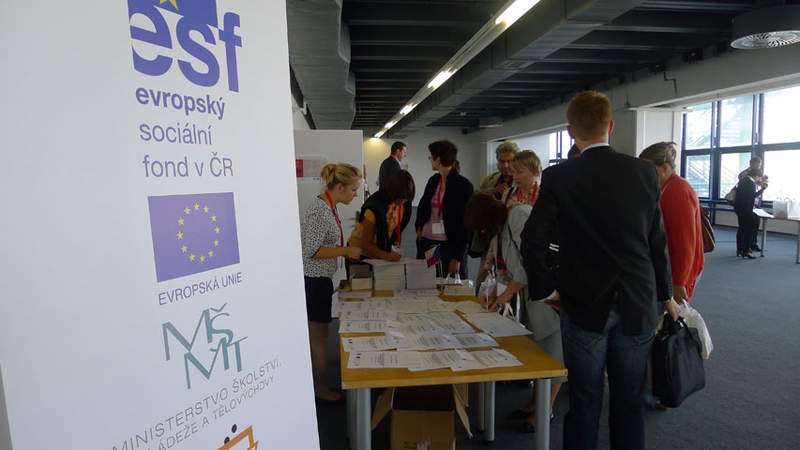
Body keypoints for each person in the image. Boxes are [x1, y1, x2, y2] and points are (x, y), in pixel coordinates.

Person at [521, 91, 681, 450]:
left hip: (583, 302)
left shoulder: (559, 176)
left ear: (570, 131)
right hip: (637, 300)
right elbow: (657, 241)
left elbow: (533, 239)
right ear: (611, 126)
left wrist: (546, 289)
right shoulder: (644, 172)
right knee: (629, 401)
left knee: (584, 400)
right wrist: (666, 294)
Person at [464, 193, 564, 433]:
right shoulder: (500, 231)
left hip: (547, 293)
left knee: (552, 351)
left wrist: (506, 294)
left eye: (482, 226)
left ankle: (546, 409)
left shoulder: (518, 217)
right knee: (536, 350)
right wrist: (493, 293)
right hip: (529, 295)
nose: (482, 232)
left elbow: (530, 263)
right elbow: (507, 270)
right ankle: (535, 401)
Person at [300, 163, 362, 402]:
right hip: (314, 282)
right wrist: (344, 251)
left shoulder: (329, 206)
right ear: (340, 187)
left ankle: (317, 384)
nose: (355, 194)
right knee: (317, 340)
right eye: (353, 189)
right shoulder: (320, 211)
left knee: (319, 337)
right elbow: (312, 250)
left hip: (320, 280)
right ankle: (318, 387)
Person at [639, 142, 705, 303]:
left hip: (678, 273)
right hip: (669, 268)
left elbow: (685, 241)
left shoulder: (678, 191)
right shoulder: (665, 187)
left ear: (665, 168)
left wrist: (679, 282)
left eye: (649, 169)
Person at [416, 140, 474, 278]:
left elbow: (465, 224)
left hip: (449, 245)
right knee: (429, 280)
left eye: (431, 157)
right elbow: (423, 206)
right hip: (430, 242)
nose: (430, 160)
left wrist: (458, 257)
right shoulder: (434, 181)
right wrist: (419, 227)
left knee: (449, 283)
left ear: (438, 159)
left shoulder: (463, 185)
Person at [349, 170, 414, 261]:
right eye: (399, 198)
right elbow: (365, 244)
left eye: (405, 199)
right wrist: (386, 256)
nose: (402, 202)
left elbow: (397, 230)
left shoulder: (405, 205)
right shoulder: (374, 207)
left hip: (381, 251)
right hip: (360, 253)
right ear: (392, 192)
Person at [734, 167, 768, 259]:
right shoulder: (750, 183)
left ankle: (739, 249)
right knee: (749, 229)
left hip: (740, 208)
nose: (758, 179)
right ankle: (746, 251)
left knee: (741, 229)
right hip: (746, 209)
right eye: (758, 177)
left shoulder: (743, 180)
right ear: (756, 176)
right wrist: (762, 189)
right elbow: (752, 196)